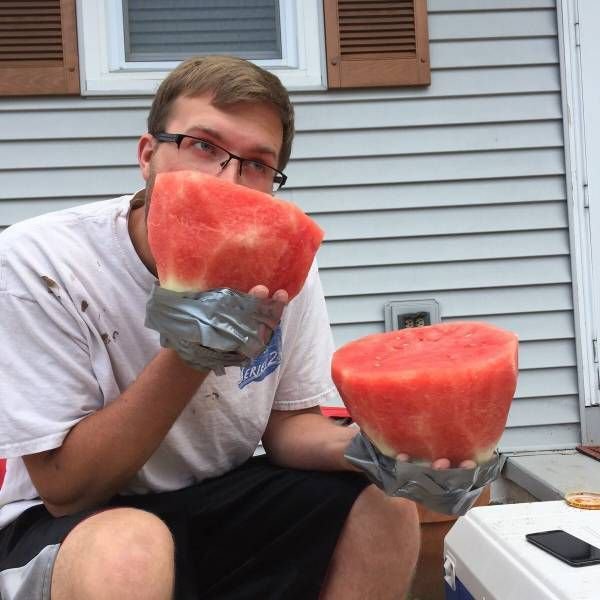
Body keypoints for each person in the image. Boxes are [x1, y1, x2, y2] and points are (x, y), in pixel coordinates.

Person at [0, 55, 421, 600]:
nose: (228, 181)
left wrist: (381, 451)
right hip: (73, 524)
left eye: (257, 164)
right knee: (130, 549)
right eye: (203, 146)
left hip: (216, 497)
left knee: (386, 504)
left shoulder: (285, 260)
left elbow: (289, 426)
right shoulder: (40, 261)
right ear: (148, 155)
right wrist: (191, 354)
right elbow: (65, 487)